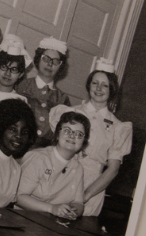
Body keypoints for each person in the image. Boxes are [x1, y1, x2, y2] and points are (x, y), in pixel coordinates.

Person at [48, 58, 132, 216]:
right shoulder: (69, 113)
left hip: (92, 187)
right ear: (89, 85)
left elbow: (113, 170)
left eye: (105, 85)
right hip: (61, 179)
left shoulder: (118, 127)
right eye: (95, 83)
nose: (99, 88)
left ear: (112, 89)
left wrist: (84, 196)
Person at [16, 110, 89, 220]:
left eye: (79, 134)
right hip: (24, 219)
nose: (72, 136)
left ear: (83, 142)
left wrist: (72, 211)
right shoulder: (38, 158)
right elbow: (18, 197)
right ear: (57, 134)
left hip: (52, 223)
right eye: (67, 130)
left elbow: (78, 203)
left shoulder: (78, 168)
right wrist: (52, 208)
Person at [15, 36, 71, 145]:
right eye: (46, 58)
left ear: (60, 66)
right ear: (38, 59)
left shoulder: (62, 98)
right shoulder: (21, 86)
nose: (50, 64)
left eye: (55, 61)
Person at [0, 34, 30, 105]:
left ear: (21, 74)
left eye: (14, 69)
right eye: (4, 67)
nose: (7, 73)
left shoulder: (20, 102)